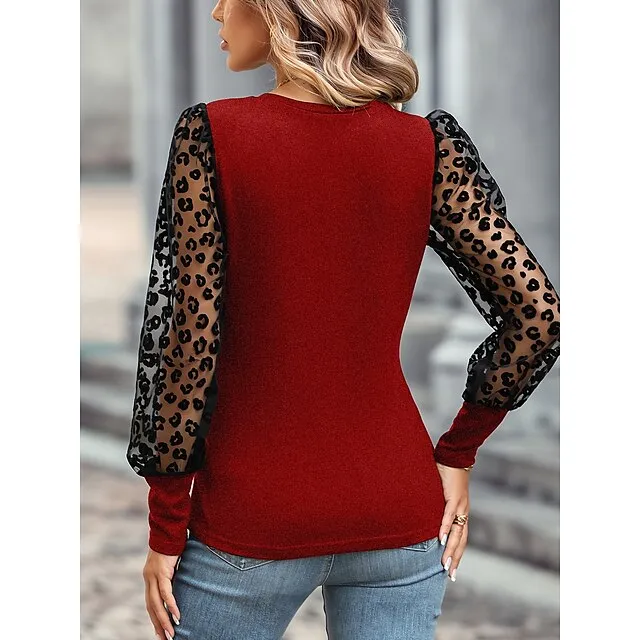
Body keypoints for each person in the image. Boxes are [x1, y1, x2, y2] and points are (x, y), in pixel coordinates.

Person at [126, 1, 560, 638]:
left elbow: (188, 343)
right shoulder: (426, 145)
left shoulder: (212, 136)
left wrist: (167, 523)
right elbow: (538, 315)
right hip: (398, 507)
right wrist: (458, 453)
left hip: (253, 515)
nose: (216, 11)